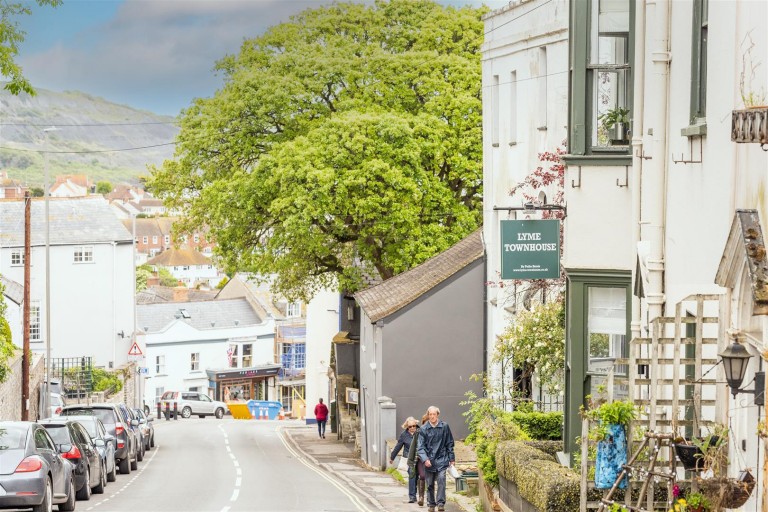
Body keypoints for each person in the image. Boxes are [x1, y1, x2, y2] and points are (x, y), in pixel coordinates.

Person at [416, 406, 455, 512]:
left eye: (434, 414)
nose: (432, 416)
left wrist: (451, 459)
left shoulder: (444, 426)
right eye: (430, 414)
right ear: (428, 415)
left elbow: (449, 443)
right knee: (430, 484)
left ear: (438, 415)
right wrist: (425, 459)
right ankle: (431, 504)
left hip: (442, 459)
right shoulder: (424, 429)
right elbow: (420, 447)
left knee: (441, 480)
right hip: (429, 460)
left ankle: (441, 503)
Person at [389, 417, 419, 503]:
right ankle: (412, 496)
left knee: (417, 476)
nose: (412, 428)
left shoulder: (420, 432)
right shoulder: (404, 435)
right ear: (407, 427)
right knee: (412, 475)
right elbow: (398, 446)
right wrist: (392, 457)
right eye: (410, 426)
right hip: (409, 459)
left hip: (419, 458)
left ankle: (415, 493)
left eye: (414, 426)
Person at [407, 412, 429, 506]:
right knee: (421, 476)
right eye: (426, 422)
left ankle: (430, 499)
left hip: (432, 459)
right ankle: (419, 497)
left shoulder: (436, 431)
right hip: (419, 459)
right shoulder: (418, 433)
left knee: (430, 479)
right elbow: (413, 447)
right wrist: (410, 461)